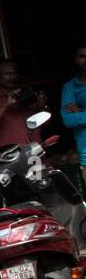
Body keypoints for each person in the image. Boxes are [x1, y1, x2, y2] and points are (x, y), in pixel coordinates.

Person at [0, 59, 46, 151]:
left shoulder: (26, 93)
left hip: (36, 151)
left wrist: (42, 105)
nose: (11, 77)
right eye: (7, 74)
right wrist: (5, 105)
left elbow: (45, 122)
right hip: (11, 156)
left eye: (13, 73)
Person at [61, 44, 86, 185]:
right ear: (76, 60)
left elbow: (75, 118)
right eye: (82, 56)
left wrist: (81, 112)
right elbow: (68, 120)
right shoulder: (69, 87)